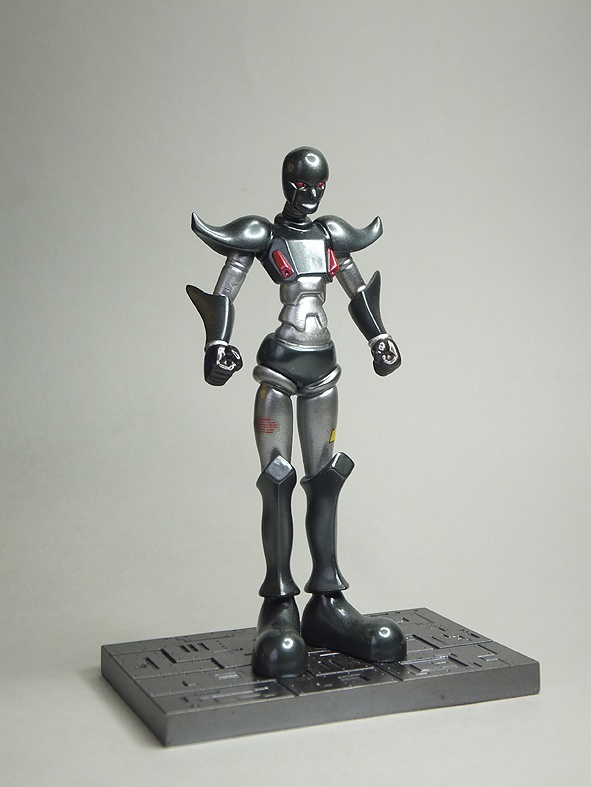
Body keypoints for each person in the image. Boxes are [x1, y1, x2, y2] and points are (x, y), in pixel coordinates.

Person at [187, 147, 406, 677]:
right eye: (299, 184)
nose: (307, 195)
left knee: (326, 477)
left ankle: (327, 600)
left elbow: (358, 289)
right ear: (286, 183)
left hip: (323, 366)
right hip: (279, 367)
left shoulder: (331, 236)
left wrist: (379, 336)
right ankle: (279, 604)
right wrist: (218, 344)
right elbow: (225, 289)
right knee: (278, 479)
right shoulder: (264, 235)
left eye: (317, 186)